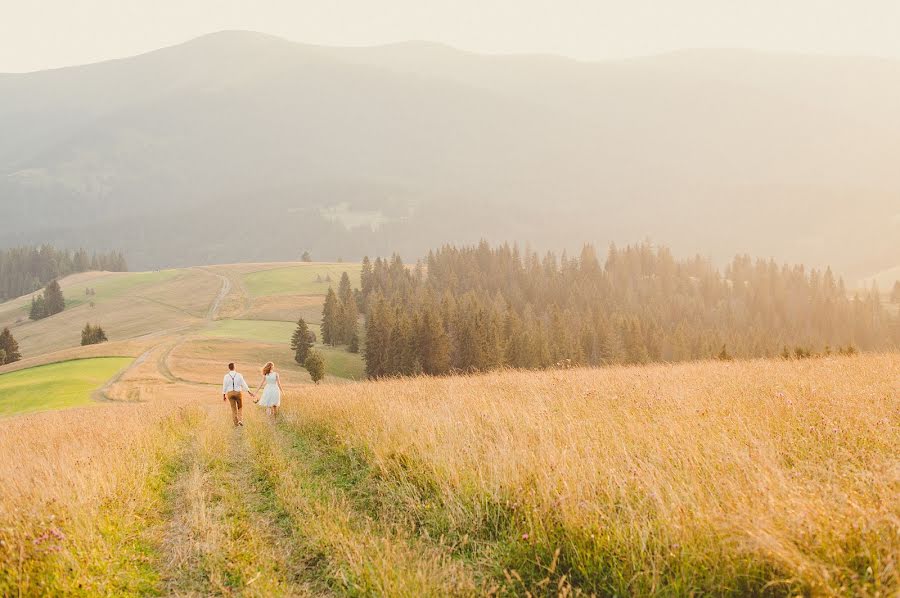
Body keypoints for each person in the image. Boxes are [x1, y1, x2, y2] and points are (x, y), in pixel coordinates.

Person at [222, 362, 254, 427]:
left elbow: (224, 386)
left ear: (229, 368)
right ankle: (240, 420)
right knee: (240, 407)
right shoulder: (239, 375)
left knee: (233, 409)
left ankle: (236, 425)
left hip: (230, 393)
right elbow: (244, 384)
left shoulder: (226, 376)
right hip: (238, 393)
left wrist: (224, 395)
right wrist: (249, 392)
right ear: (234, 367)